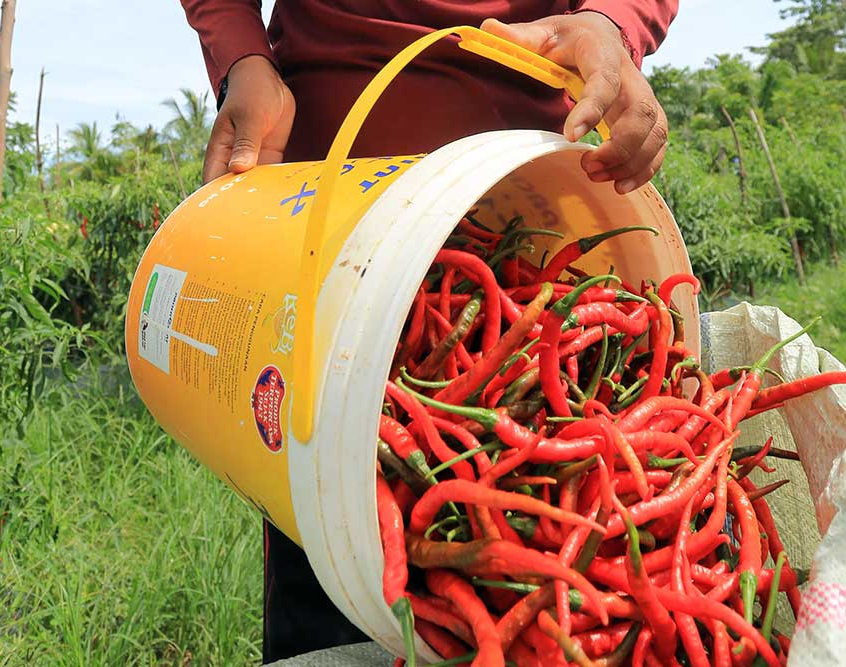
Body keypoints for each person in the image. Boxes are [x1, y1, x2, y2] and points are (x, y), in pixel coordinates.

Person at [180, 1, 678, 663]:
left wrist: (613, 22)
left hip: (521, 197)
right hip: (323, 224)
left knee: (538, 534)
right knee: (336, 535)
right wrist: (241, 59)